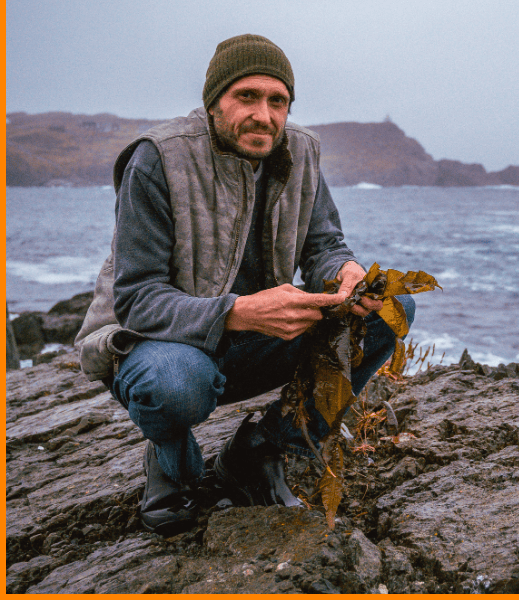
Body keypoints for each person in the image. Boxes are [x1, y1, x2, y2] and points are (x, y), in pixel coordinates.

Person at [75, 34, 414, 535]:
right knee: (173, 385)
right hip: (160, 345)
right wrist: (237, 312)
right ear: (215, 102)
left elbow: (324, 245)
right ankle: (171, 459)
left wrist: (345, 272)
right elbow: (136, 298)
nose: (264, 115)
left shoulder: (301, 153)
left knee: (390, 307)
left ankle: (261, 452)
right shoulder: (158, 159)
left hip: (258, 338)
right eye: (247, 97)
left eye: (278, 101)